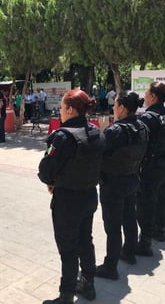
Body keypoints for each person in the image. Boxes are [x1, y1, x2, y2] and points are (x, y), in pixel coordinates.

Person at [38, 89, 105, 304]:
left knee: (68, 249)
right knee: (86, 241)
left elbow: (45, 170)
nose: (60, 112)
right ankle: (88, 284)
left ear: (69, 109)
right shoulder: (97, 132)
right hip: (89, 197)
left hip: (67, 201)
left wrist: (52, 182)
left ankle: (66, 294)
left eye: (61, 108)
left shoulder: (62, 137)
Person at [95, 91, 148, 280]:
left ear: (122, 108)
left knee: (113, 226)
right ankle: (129, 252)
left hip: (113, 183)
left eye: (115, 105)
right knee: (129, 218)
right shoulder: (142, 126)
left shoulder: (115, 131)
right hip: (132, 178)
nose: (113, 108)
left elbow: (99, 154)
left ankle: (110, 266)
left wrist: (101, 132)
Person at [136, 82, 165, 254]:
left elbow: (141, 144)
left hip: (150, 165)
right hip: (164, 162)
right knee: (160, 199)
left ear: (153, 96)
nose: (144, 95)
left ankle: (144, 242)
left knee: (145, 204)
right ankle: (159, 230)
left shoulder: (148, 117)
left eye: (146, 92)